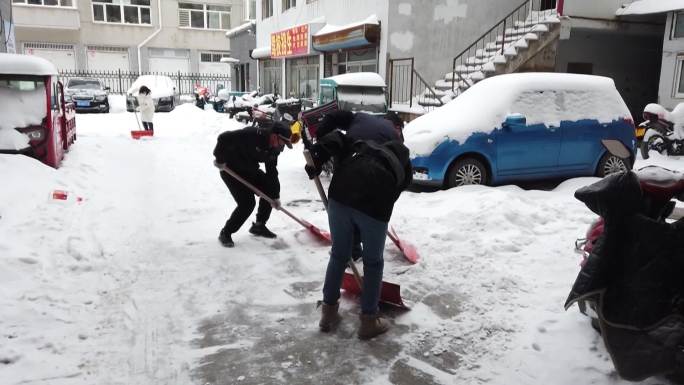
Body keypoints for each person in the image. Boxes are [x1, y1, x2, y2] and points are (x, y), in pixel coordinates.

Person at [305, 129, 412, 340]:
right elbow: (395, 192)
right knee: (373, 263)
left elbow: (335, 138)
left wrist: (317, 158)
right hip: (375, 201)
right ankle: (369, 322)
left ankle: (328, 315)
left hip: (340, 193)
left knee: (338, 255)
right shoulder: (404, 165)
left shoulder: (364, 147)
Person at [315, 110, 405, 260]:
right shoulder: (396, 140)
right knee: (361, 210)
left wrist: (320, 136)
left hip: (348, 167)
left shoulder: (361, 118)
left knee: (347, 206)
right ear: (394, 126)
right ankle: (354, 247)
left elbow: (332, 116)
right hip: (365, 171)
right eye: (399, 128)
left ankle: (350, 247)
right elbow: (399, 178)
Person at [213, 122, 293, 248]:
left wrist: (275, 196)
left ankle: (259, 226)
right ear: (274, 135)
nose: (281, 146)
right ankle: (226, 232)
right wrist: (219, 159)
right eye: (281, 142)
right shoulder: (252, 134)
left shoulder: (274, 150)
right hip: (231, 171)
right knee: (247, 204)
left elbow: (272, 173)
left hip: (250, 170)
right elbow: (224, 138)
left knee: (269, 189)